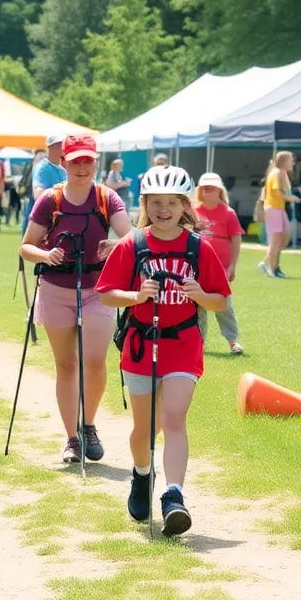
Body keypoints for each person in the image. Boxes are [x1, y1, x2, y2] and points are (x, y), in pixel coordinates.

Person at [97, 166, 230, 538]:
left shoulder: (198, 247)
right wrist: (136, 296)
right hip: (140, 346)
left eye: (172, 203)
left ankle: (174, 497)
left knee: (173, 418)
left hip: (183, 345)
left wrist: (200, 295)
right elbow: (106, 292)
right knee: (144, 429)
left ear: (185, 205)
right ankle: (142, 475)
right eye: (155, 203)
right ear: (145, 205)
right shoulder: (133, 244)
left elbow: (221, 301)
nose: (163, 209)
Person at [21, 134, 131, 464]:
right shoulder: (50, 201)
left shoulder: (106, 198)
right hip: (55, 289)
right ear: (64, 163)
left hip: (98, 289)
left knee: (95, 360)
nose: (82, 167)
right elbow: (26, 246)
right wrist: (45, 254)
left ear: (96, 162)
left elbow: (132, 235)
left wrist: (118, 245)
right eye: (75, 161)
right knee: (66, 365)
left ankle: (89, 425)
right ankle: (71, 438)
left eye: (88, 161)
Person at [193, 173, 245, 355]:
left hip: (221, 268)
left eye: (211, 188)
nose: (207, 191)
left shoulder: (228, 213)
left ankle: (233, 341)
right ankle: (198, 344)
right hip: (197, 269)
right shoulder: (193, 211)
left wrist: (233, 265)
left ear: (219, 191)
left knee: (223, 306)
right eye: (204, 188)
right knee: (197, 307)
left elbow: (236, 239)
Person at [258, 151, 299, 279]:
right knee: (275, 241)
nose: (292, 162)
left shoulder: (283, 173)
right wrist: (289, 198)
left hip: (280, 209)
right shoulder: (276, 173)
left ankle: (270, 264)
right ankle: (271, 268)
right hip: (273, 208)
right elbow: (276, 192)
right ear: (284, 161)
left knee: (284, 238)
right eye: (290, 160)